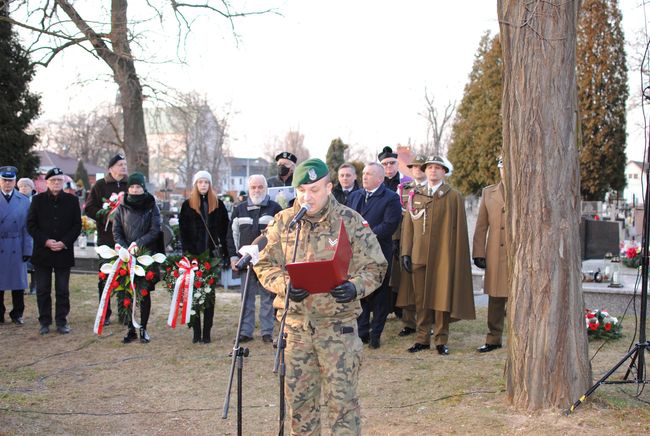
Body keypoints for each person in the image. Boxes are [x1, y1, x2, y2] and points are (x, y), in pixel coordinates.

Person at [256, 158, 386, 435]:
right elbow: (263, 264)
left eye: (314, 189)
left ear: (329, 188)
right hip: (295, 331)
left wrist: (354, 287)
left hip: (337, 330)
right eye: (302, 189)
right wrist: (286, 284)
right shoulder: (284, 223)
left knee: (342, 406)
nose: (307, 196)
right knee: (300, 408)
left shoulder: (350, 222)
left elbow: (376, 266)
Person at [400, 156, 475, 355]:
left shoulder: (453, 196)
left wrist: (455, 256)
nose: (433, 171)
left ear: (444, 172)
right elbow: (408, 226)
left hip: (443, 256)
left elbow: (459, 229)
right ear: (425, 171)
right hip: (419, 255)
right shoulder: (415, 194)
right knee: (421, 299)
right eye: (430, 167)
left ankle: (441, 339)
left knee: (441, 298)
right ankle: (422, 338)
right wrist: (406, 252)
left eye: (437, 168)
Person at [346, 162, 401, 349]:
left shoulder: (391, 198)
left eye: (369, 174)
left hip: (379, 254)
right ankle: (362, 333)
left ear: (379, 178)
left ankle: (376, 334)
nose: (364, 176)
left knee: (379, 296)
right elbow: (346, 220)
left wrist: (365, 235)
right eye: (364, 173)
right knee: (360, 294)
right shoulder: (355, 196)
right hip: (356, 255)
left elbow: (390, 224)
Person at [227, 174, 282, 343]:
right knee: (246, 298)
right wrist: (233, 256)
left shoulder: (275, 209)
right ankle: (245, 331)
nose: (257, 190)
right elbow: (231, 235)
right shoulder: (239, 209)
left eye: (260, 187)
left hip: (268, 263)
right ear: (249, 188)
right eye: (253, 187)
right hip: (245, 261)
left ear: (266, 188)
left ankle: (267, 331)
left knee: (268, 298)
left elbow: (281, 236)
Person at [27, 167, 82, 335]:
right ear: (47, 182)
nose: (56, 183)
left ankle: (61, 321)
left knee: (62, 289)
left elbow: (76, 226)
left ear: (64, 182)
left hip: (63, 252)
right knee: (43, 289)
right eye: (53, 180)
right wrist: (46, 241)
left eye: (59, 180)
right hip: (43, 252)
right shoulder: (37, 200)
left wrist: (64, 242)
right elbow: (31, 225)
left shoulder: (72, 201)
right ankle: (44, 321)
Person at [178, 170, 230, 344]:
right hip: (193, 257)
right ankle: (196, 331)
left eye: (206, 182)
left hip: (211, 257)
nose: (203, 185)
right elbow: (183, 233)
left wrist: (225, 255)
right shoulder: (187, 206)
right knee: (194, 295)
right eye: (200, 182)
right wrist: (187, 255)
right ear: (195, 184)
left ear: (210, 185)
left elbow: (224, 232)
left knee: (209, 295)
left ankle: (207, 332)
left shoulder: (219, 205)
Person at [112, 172, 162, 344]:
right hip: (126, 256)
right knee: (127, 292)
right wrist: (125, 247)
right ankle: (130, 329)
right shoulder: (121, 206)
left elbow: (155, 229)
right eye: (132, 186)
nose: (134, 190)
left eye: (138, 187)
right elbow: (116, 230)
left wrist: (138, 244)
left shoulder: (151, 206)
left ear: (143, 187)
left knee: (144, 292)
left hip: (144, 255)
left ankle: (143, 328)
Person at [84, 153, 128, 326]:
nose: (123, 167)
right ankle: (105, 312)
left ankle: (124, 312)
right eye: (120, 164)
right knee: (106, 275)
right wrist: (105, 216)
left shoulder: (130, 184)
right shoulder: (100, 185)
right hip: (107, 238)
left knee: (125, 275)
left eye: (125, 164)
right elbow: (89, 208)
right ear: (111, 168)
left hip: (126, 238)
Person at [473, 157, 508, 352]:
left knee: (518, 299)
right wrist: (479, 252)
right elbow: (481, 225)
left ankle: (522, 338)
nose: (505, 171)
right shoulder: (489, 193)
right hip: (495, 253)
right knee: (495, 298)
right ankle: (493, 338)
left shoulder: (524, 190)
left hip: (517, 254)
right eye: (502, 167)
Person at [394, 155, 428, 337]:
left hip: (425, 241)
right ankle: (409, 322)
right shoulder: (404, 189)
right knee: (407, 284)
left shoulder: (432, 189)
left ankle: (427, 321)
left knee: (426, 285)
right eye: (414, 167)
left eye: (421, 167)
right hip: (406, 240)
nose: (417, 170)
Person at [0, 166, 32, 325]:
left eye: (10, 180)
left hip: (17, 244)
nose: (7, 183)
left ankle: (17, 313)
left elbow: (28, 228)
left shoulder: (24, 200)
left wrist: (28, 249)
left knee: (18, 283)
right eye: (4, 180)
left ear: (15, 182)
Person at [17, 177, 37, 295]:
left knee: (34, 262)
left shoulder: (36, 200)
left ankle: (34, 286)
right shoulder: (15, 200)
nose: (23, 189)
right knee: (21, 263)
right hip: (19, 235)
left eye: (26, 186)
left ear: (31, 188)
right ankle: (21, 286)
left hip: (33, 235)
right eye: (21, 187)